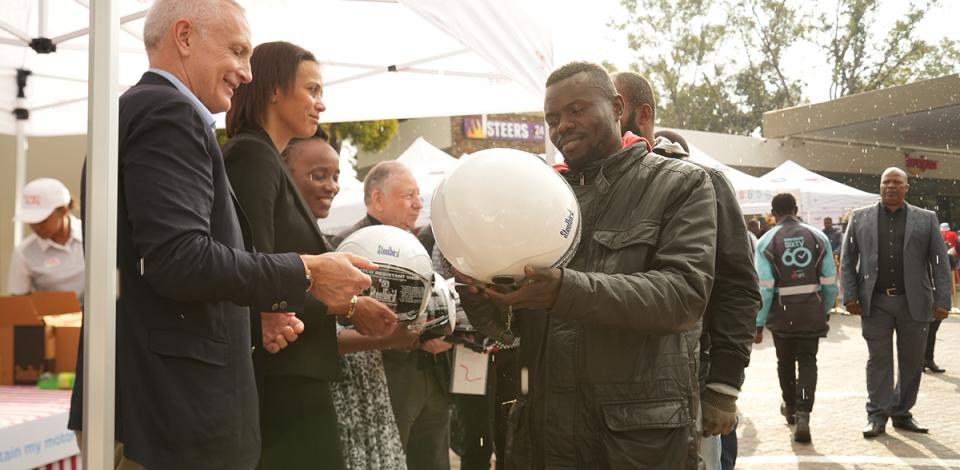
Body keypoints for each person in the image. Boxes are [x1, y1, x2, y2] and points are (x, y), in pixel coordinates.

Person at [68, 2, 380, 468]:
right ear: (185, 37)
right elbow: (181, 260)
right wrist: (307, 271)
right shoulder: (169, 113)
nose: (247, 73)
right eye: (237, 51)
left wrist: (250, 321)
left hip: (151, 408)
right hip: (168, 418)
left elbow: (153, 274)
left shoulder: (143, 109)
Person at [458, 61, 718, 468]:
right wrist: (485, 293)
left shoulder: (679, 183)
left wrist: (565, 289)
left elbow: (683, 296)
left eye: (576, 110)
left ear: (617, 107)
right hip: (544, 437)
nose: (562, 126)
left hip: (632, 441)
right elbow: (508, 331)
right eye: (552, 118)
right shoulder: (540, 196)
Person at [222, 41, 399, 469]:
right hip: (281, 377)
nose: (321, 103)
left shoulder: (265, 156)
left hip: (293, 372)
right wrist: (349, 304)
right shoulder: (252, 154)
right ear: (273, 90)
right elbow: (256, 272)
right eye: (312, 90)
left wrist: (349, 302)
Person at [615, 72, 760, 470]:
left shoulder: (703, 182)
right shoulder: (595, 185)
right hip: (614, 395)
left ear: (642, 114)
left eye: (615, 106)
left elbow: (737, 288)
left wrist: (723, 388)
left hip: (686, 387)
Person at [279, 134, 415, 469]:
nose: (332, 186)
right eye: (318, 175)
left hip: (361, 390)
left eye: (336, 176)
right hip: (323, 394)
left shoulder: (325, 242)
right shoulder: (306, 248)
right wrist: (378, 330)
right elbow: (308, 326)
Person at [334, 161, 454, 470]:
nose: (418, 204)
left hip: (432, 373)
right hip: (384, 377)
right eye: (408, 195)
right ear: (377, 199)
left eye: (418, 196)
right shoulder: (348, 248)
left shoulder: (417, 242)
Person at [841, 167, 951, 439]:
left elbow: (939, 261)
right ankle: (877, 415)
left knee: (912, 360)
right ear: (880, 186)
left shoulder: (926, 219)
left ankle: (902, 413)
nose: (890, 186)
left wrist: (942, 298)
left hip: (915, 302)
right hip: (875, 302)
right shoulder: (860, 218)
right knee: (878, 359)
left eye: (897, 182)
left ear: (906, 187)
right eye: (886, 182)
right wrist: (850, 295)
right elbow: (847, 259)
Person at [754, 193, 837, 443]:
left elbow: (765, 288)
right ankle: (803, 413)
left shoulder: (766, 241)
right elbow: (830, 281)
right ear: (796, 209)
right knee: (808, 362)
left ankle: (790, 407)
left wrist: (759, 323)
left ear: (773, 213)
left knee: (785, 362)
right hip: (811, 311)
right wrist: (825, 310)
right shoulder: (817, 237)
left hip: (782, 314)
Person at [7, 178, 84, 303]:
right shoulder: (23, 252)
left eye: (42, 220)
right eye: (31, 221)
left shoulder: (93, 238)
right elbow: (18, 304)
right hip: (51, 320)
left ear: (63, 210)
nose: (36, 227)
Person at [925, 222, 957, 373]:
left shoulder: (943, 251)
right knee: (924, 331)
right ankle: (923, 360)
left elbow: (945, 276)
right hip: (923, 294)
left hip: (936, 295)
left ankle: (927, 359)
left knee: (931, 330)